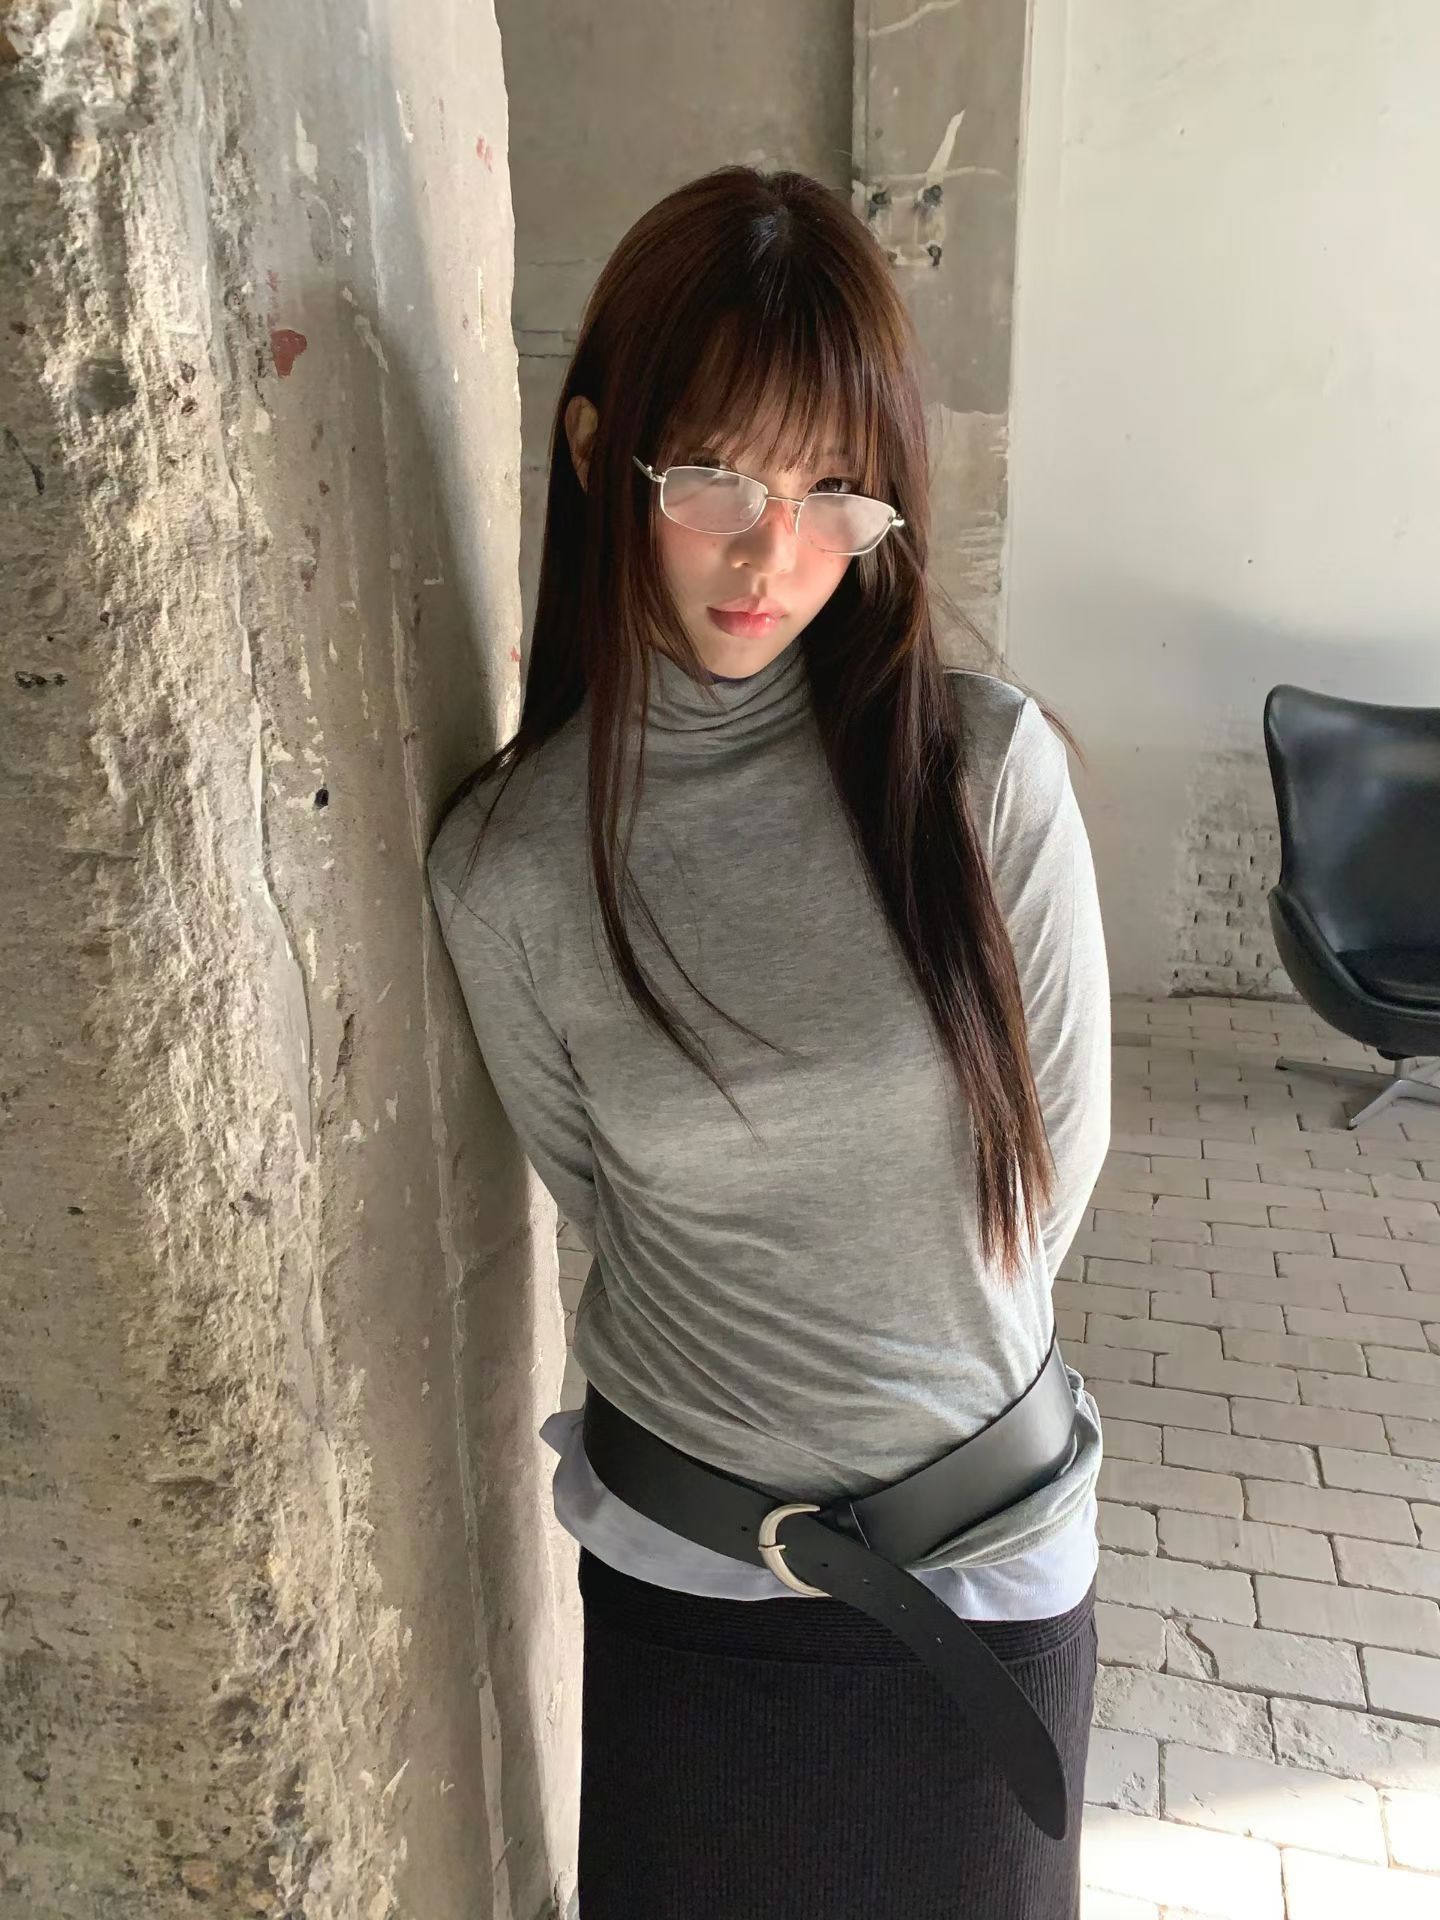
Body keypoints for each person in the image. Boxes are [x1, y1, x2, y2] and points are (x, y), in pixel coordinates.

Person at [426, 164, 1111, 1920]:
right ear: (600, 455)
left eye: (831, 497)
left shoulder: (983, 777)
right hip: (692, 1590)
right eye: (717, 479)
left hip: (981, 1568)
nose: (771, 554)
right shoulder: (510, 867)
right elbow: (611, 1202)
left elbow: (1054, 1169)